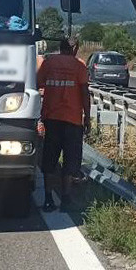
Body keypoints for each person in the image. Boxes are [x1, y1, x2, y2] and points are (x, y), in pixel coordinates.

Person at [37, 38, 90, 212]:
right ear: (74, 48)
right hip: (72, 119)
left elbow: (38, 84)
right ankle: (66, 199)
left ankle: (48, 199)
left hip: (52, 119)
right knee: (70, 160)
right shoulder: (79, 65)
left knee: (50, 160)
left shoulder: (49, 63)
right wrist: (87, 116)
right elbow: (84, 92)